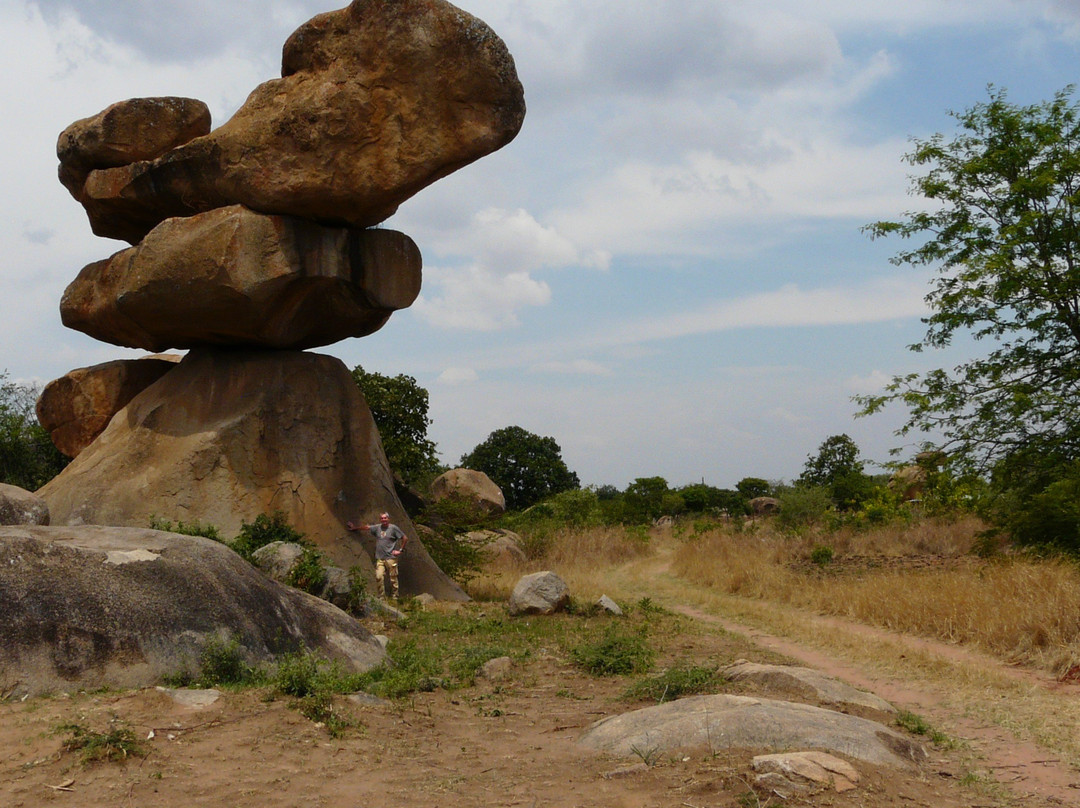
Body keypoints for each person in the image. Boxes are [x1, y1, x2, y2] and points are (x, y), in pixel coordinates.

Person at [346, 512, 408, 600]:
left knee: (393, 578)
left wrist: (400, 550)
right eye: (382, 518)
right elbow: (367, 527)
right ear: (380, 520)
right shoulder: (378, 527)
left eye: (385, 518)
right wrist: (355, 528)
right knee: (379, 576)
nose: (384, 520)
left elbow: (405, 538)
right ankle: (381, 597)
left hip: (391, 558)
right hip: (380, 558)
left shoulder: (393, 528)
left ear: (388, 519)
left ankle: (395, 596)